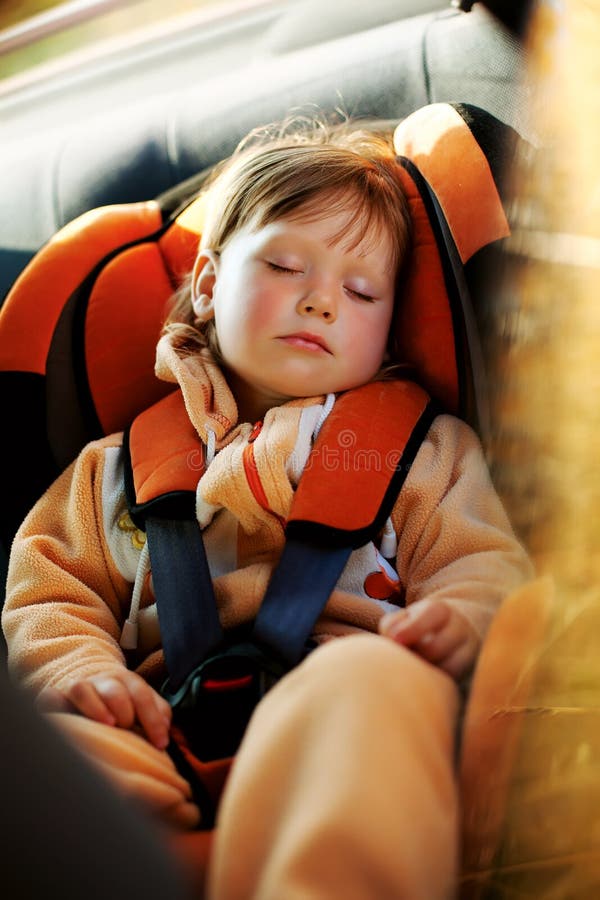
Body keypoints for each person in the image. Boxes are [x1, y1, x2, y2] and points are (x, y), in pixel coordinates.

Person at [2, 120, 532, 898]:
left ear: (387, 323)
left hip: (351, 708)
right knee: (38, 762)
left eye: (360, 291)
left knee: (368, 682)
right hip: (154, 726)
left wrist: (462, 618)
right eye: (287, 266)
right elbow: (49, 594)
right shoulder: (109, 471)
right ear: (211, 285)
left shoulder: (423, 452)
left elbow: (481, 562)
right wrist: (82, 678)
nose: (322, 301)